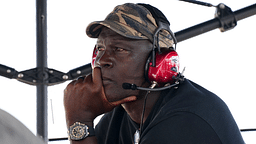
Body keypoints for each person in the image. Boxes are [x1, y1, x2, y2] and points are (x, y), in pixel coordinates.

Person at [64, 3, 244, 144]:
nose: (102, 60)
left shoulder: (186, 119)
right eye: (100, 48)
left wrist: (79, 120)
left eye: (119, 49)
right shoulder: (117, 119)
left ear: (158, 61)